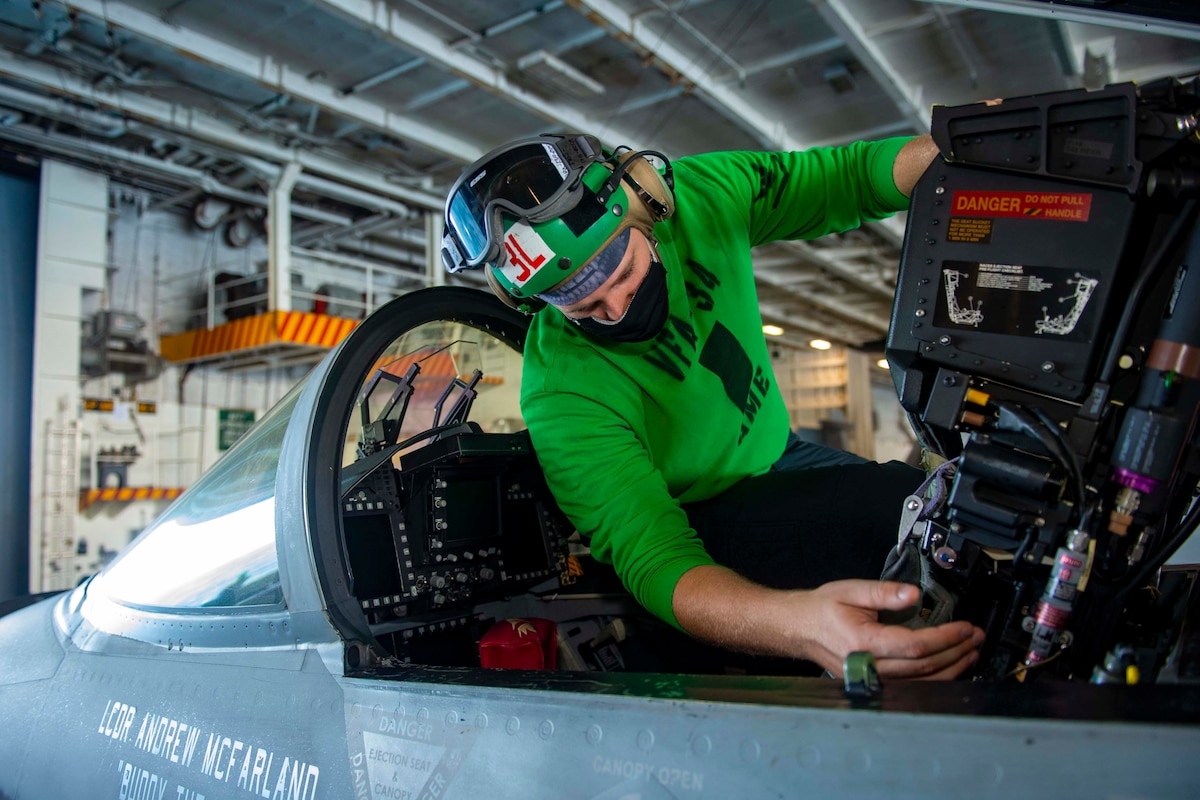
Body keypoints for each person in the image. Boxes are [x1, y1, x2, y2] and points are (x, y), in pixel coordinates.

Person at [440, 132, 985, 679]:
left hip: (780, 451)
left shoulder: (701, 197)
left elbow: (848, 178)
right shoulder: (560, 389)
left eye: (623, 272)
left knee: (941, 515)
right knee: (888, 515)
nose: (616, 308)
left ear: (643, 200)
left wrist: (977, 152)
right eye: (583, 306)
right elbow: (657, 558)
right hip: (702, 511)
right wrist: (805, 628)